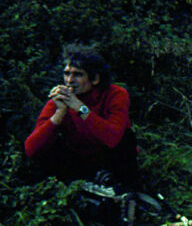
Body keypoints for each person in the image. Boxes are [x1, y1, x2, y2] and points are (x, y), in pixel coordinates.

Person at [25, 45, 138, 185]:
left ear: (95, 78)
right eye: (67, 74)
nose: (69, 80)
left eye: (77, 75)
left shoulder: (116, 94)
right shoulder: (60, 100)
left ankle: (125, 187)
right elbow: (31, 149)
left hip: (112, 158)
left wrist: (80, 108)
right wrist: (59, 114)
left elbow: (113, 138)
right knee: (47, 145)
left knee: (126, 138)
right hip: (80, 159)